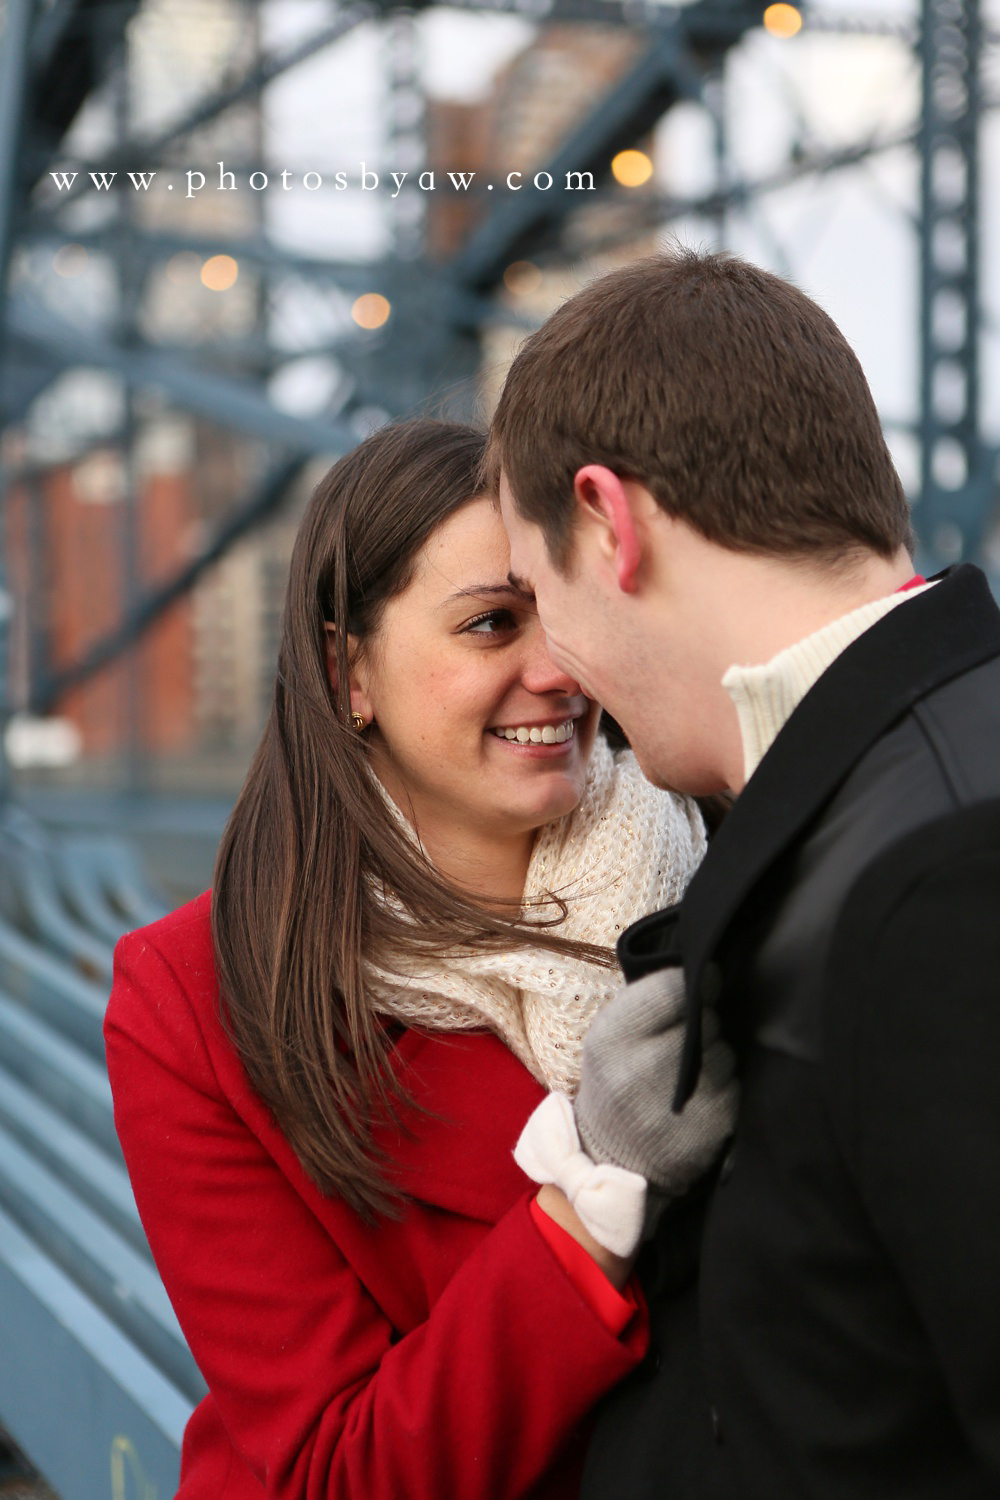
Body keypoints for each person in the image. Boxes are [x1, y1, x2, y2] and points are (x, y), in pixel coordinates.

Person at [104, 418, 735, 1500]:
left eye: (562, 613)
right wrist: (588, 1200)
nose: (556, 670)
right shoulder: (193, 1006)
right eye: (492, 624)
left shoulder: (729, 853)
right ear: (348, 672)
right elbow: (331, 1477)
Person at [489, 250, 1000, 1500]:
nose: (551, 667)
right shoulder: (890, 791)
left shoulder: (945, 880)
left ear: (610, 523)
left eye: (534, 591)